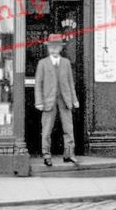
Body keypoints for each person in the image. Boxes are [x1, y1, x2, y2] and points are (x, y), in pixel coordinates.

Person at [34, 34, 79, 167]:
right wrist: (39, 101)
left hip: (65, 100)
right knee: (47, 130)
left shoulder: (66, 63)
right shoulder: (42, 64)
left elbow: (71, 83)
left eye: (56, 47)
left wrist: (74, 99)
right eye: (51, 47)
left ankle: (69, 154)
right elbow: (38, 84)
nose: (53, 50)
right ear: (48, 49)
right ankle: (46, 155)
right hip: (48, 100)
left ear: (60, 48)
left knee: (68, 128)